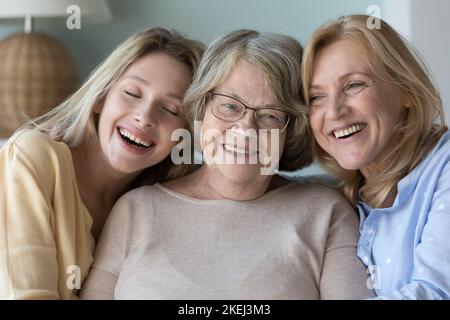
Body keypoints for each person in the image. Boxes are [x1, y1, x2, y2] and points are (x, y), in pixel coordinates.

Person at [80, 29, 373, 300]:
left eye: (270, 115)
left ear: (291, 130)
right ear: (200, 109)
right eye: (229, 106)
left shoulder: (326, 213)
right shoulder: (136, 209)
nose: (245, 130)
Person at [0, 27, 204, 299]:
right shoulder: (34, 157)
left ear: (182, 136)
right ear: (100, 98)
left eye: (170, 109)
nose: (144, 117)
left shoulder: (154, 207)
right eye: (132, 93)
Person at [301, 15, 450, 299]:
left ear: (406, 90)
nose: (333, 112)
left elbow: (436, 292)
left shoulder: (444, 168)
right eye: (316, 97)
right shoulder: (341, 194)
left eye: (354, 85)